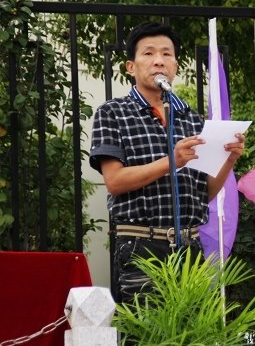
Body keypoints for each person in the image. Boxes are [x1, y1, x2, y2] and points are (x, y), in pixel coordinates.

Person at [89, 21, 244, 303]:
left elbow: (204, 193)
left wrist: (228, 160)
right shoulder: (112, 113)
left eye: (166, 54)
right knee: (147, 330)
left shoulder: (192, 119)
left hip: (190, 246)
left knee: (192, 330)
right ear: (130, 67)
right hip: (141, 246)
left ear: (175, 66)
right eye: (148, 53)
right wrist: (171, 161)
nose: (159, 61)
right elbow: (114, 181)